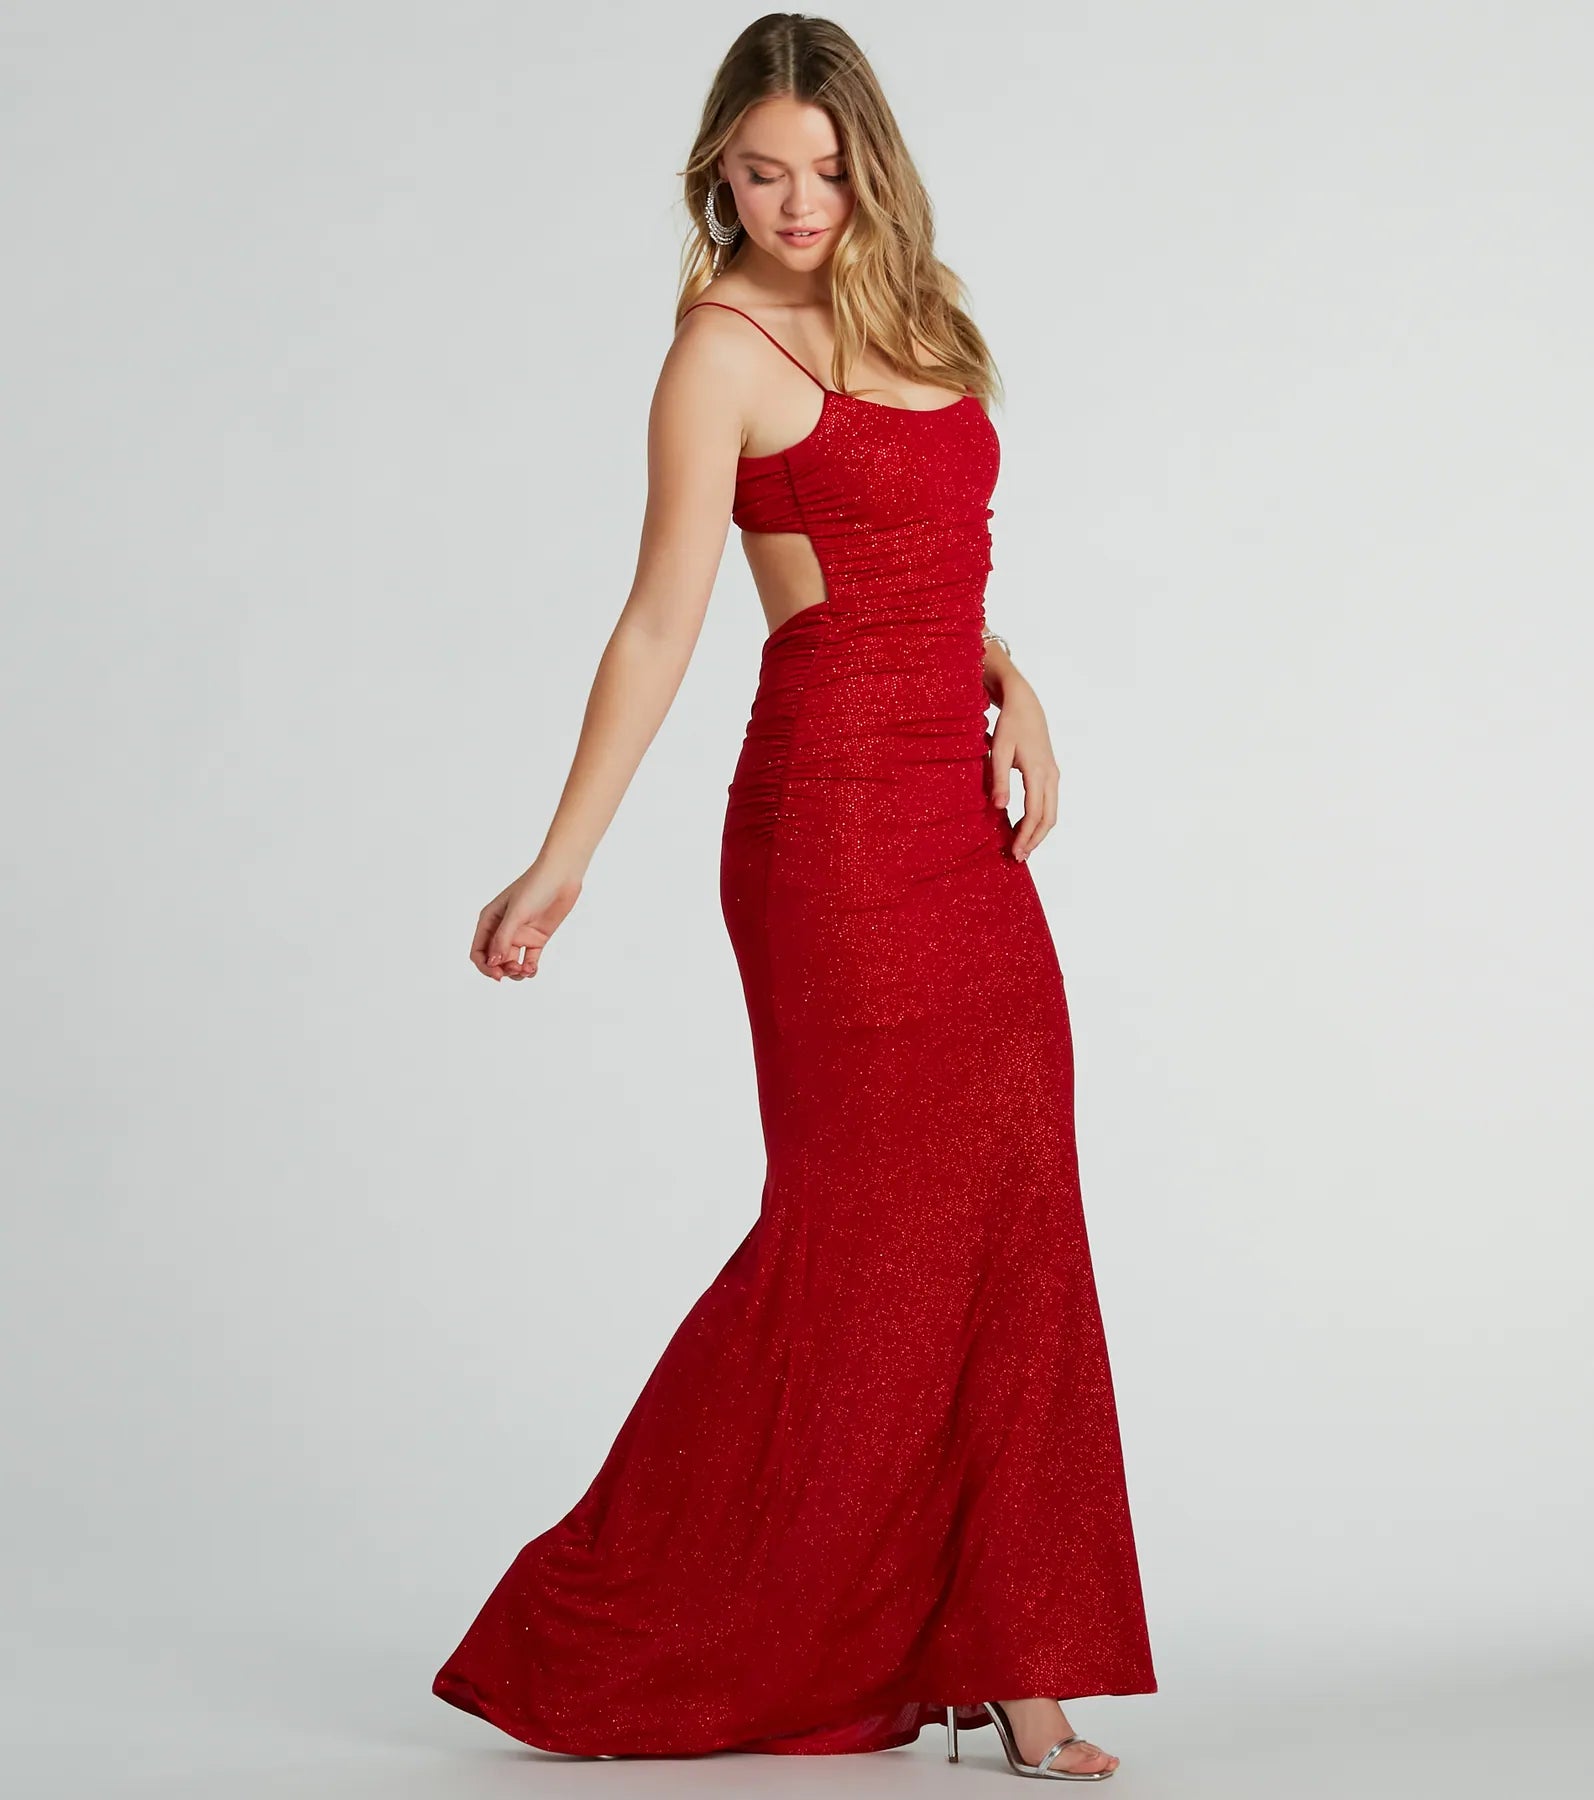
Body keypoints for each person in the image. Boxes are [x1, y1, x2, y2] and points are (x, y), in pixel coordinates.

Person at [433, 13, 1156, 1781]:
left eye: (825, 170)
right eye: (762, 173)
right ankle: (602, 1626)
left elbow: (928, 561)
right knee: (854, 1235)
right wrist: (563, 857)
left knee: (1010, 1210)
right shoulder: (718, 352)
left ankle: (1020, 1656)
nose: (797, 202)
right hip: (827, 831)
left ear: (870, 167)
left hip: (955, 825)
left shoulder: (921, 318)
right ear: (719, 178)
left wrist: (1011, 681)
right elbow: (661, 622)